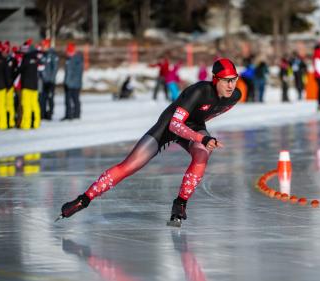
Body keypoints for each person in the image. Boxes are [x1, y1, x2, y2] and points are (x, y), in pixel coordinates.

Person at [57, 58, 242, 227]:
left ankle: (180, 204)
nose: (231, 85)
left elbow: (205, 114)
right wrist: (202, 137)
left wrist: (199, 135)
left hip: (193, 126)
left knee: (202, 154)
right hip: (168, 126)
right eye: (227, 80)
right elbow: (175, 124)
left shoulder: (234, 97)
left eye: (234, 79)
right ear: (215, 79)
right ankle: (83, 199)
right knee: (129, 166)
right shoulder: (199, 90)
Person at [18, 39, 41, 130]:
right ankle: (36, 123)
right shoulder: (36, 59)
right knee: (34, 105)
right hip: (34, 86)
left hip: (26, 86)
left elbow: (20, 70)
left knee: (26, 105)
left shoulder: (25, 59)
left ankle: (26, 124)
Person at [61, 43, 84, 121]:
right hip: (68, 83)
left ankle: (76, 114)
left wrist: (70, 82)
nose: (68, 53)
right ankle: (68, 115)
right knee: (67, 100)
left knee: (75, 99)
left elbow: (77, 73)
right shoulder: (68, 59)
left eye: (70, 51)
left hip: (75, 84)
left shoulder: (78, 60)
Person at [39, 38, 59, 120]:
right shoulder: (42, 55)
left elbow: (55, 69)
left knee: (50, 98)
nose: (43, 47)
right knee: (42, 98)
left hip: (50, 81)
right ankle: (42, 113)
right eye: (42, 46)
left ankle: (50, 113)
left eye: (44, 46)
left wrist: (51, 79)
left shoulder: (53, 55)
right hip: (43, 81)